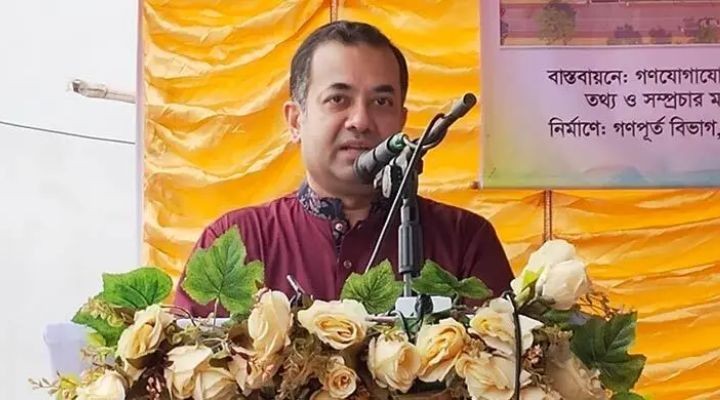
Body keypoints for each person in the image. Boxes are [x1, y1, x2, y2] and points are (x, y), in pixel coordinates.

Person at [174, 20, 514, 316]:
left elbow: (503, 362)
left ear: (401, 120)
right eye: (338, 99)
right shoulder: (238, 241)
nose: (361, 120)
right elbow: (187, 364)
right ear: (295, 120)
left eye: (381, 102)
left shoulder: (464, 241)